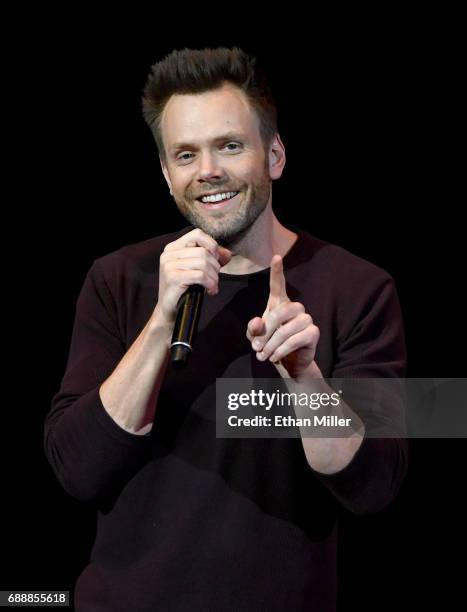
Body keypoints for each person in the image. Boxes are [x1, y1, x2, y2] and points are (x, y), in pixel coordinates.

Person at [45, 47, 408, 611]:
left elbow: (376, 487)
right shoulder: (116, 280)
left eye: (230, 146)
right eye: (185, 154)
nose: (207, 170)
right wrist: (162, 320)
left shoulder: (360, 289)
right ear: (167, 176)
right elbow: (77, 470)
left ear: (276, 154)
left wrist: (305, 376)